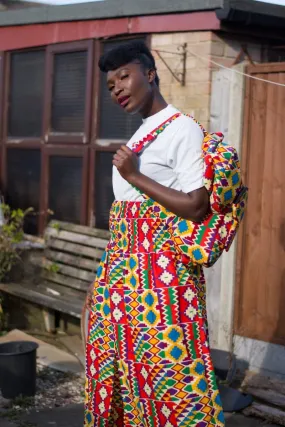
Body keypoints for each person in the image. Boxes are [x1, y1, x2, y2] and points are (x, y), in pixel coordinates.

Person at [85, 40, 225, 427]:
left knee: (171, 379)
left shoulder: (183, 129)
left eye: (124, 77)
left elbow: (198, 205)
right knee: (122, 375)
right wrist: (103, 281)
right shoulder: (143, 133)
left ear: (149, 74)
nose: (117, 88)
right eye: (111, 85)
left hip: (162, 279)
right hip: (124, 273)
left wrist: (135, 175)